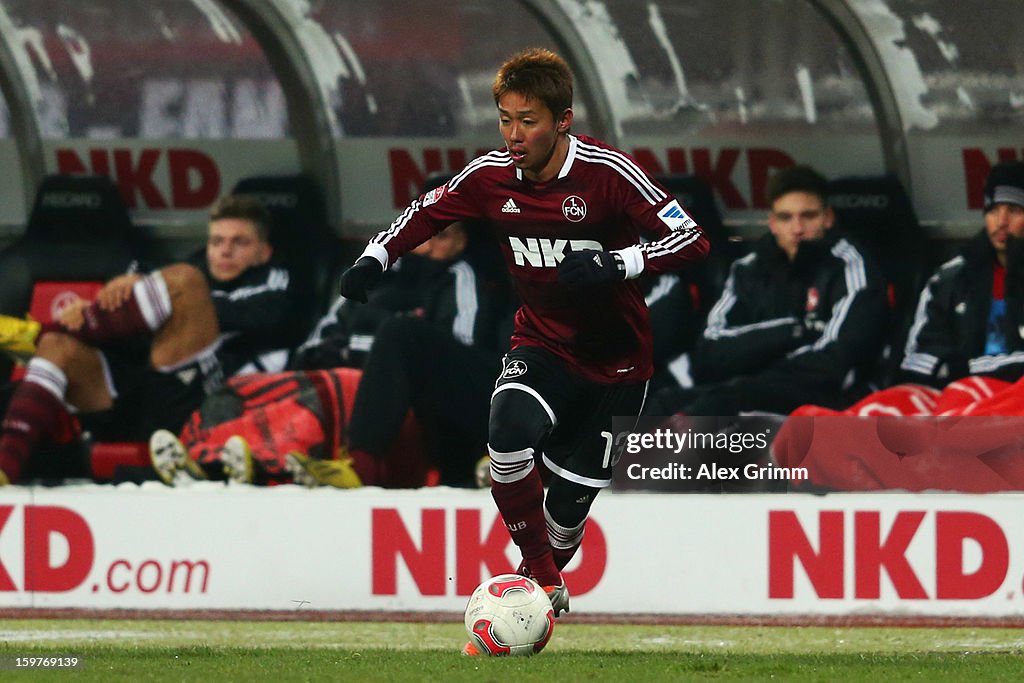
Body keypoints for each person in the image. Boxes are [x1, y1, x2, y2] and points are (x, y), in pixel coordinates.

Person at [336, 47, 709, 637]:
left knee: (565, 515)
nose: (514, 134)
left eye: (527, 120)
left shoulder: (607, 172)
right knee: (507, 429)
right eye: (505, 119)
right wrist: (374, 258)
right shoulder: (488, 175)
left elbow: (691, 240)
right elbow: (425, 211)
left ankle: (534, 585)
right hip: (541, 343)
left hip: (618, 365)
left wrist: (620, 262)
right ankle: (531, 586)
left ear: (562, 120)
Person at [0, 195, 301, 485]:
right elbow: (156, 293)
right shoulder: (196, 268)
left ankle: (38, 333)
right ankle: (4, 467)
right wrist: (122, 298)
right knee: (58, 348)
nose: (225, 251)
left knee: (184, 284)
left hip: (201, 401)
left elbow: (254, 316)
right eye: (217, 241)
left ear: (263, 251)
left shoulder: (278, 282)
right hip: (137, 395)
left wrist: (152, 295)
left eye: (240, 242)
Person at [644, 165, 888, 417]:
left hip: (827, 397)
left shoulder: (849, 265)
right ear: (772, 223)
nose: (797, 228)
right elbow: (710, 351)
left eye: (808, 216)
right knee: (663, 402)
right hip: (748, 387)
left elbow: (838, 360)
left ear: (828, 218)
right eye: (785, 217)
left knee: (724, 404)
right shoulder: (748, 268)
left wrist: (759, 367)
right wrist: (793, 331)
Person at [899, 160, 1024, 386]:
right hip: (960, 398)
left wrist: (968, 368)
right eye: (993, 210)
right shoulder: (950, 277)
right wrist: (961, 373)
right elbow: (917, 356)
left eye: (1014, 211)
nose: (1001, 222)